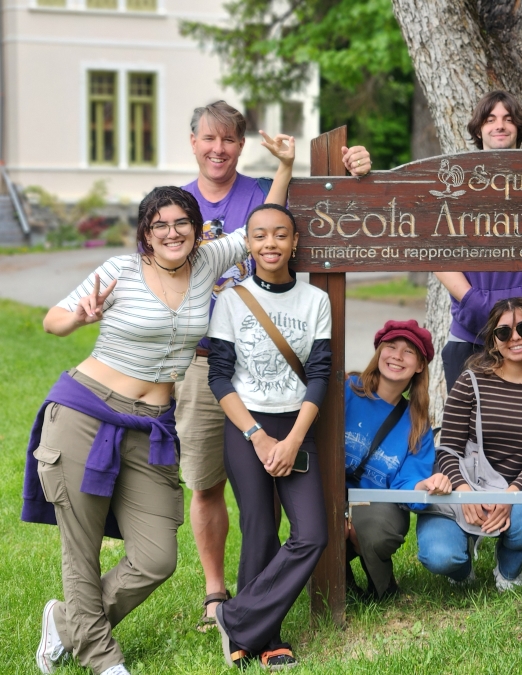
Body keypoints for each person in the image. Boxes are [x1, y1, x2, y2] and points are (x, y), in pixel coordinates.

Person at [26, 186, 256, 675]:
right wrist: (79, 318)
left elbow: (256, 227)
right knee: (82, 547)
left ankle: (65, 623)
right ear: (145, 233)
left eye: (181, 223)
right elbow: (52, 321)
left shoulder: (210, 262)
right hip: (85, 413)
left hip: (150, 425)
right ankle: (104, 661)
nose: (171, 232)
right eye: (159, 225)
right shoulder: (120, 270)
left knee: (157, 557)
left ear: (197, 229)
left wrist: (282, 166)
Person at [178, 100, 372, 630]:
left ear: (240, 145)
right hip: (208, 364)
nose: (218, 149)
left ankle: (244, 613)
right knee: (208, 483)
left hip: (285, 392)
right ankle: (218, 596)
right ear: (193, 142)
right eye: (208, 139)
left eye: (229, 140)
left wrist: (342, 170)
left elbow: (284, 217)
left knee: (295, 522)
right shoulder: (179, 206)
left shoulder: (259, 197)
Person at [205, 203, 331, 669]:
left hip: (296, 425)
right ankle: (267, 638)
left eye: (280, 234)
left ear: (294, 242)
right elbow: (220, 377)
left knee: (312, 534)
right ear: (249, 244)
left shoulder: (314, 300)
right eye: (259, 236)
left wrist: (294, 439)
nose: (270, 243)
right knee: (260, 525)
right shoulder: (233, 299)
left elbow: (319, 374)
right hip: (246, 426)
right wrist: (257, 436)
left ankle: (235, 617)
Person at [416, 297, 522, 591]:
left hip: (514, 491)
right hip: (465, 486)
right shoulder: (471, 381)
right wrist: (465, 494)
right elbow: (448, 448)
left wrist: (511, 496)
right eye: (504, 332)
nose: (515, 337)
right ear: (493, 341)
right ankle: (462, 565)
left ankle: (507, 569)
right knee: (441, 557)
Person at [435, 90, 522, 389]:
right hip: (469, 332)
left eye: (508, 119)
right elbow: (435, 249)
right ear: (479, 130)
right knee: (469, 427)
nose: (500, 125)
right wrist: (470, 299)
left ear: (518, 128)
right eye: (490, 119)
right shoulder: (454, 184)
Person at [344, 320, 452, 599]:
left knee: (376, 530)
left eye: (408, 352)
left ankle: (383, 589)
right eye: (390, 347)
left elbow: (408, 483)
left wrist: (427, 484)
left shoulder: (416, 423)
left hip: (375, 503)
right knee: (319, 530)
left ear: (419, 366)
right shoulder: (346, 388)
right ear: (379, 352)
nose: (397, 356)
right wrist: (337, 513)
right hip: (328, 495)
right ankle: (338, 587)